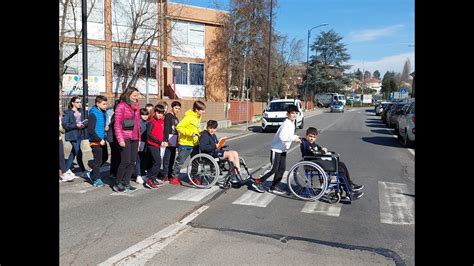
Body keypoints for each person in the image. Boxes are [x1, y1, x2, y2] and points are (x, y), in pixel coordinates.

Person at [300, 127, 364, 199]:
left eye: (314, 137)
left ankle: (350, 184)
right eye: (310, 136)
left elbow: (317, 148)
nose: (312, 138)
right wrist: (322, 151)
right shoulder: (305, 143)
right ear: (306, 135)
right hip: (313, 164)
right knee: (339, 170)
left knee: (341, 164)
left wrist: (322, 148)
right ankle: (349, 193)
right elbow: (313, 153)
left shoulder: (311, 143)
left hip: (317, 162)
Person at [251, 105, 301, 194]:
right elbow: (282, 137)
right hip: (276, 149)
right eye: (293, 113)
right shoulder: (286, 124)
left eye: (296, 113)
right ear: (288, 114)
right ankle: (257, 182)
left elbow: (289, 135)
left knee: (281, 169)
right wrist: (294, 139)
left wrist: (296, 137)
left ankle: (273, 187)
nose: (294, 115)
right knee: (273, 169)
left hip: (282, 150)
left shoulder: (291, 123)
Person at [169, 100, 206, 185]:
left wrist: (202, 132)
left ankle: (193, 178)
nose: (204, 112)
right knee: (180, 161)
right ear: (197, 109)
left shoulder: (198, 117)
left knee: (195, 161)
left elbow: (196, 128)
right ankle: (174, 177)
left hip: (195, 143)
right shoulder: (189, 117)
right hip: (185, 143)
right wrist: (190, 133)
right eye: (202, 110)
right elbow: (179, 127)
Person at [113, 87, 141, 193]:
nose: (136, 98)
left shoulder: (137, 107)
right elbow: (117, 124)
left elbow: (138, 125)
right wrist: (120, 139)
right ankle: (118, 183)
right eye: (134, 95)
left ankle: (126, 183)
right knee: (125, 161)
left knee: (132, 162)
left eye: (137, 95)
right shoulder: (121, 106)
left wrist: (139, 139)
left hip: (135, 137)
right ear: (128, 95)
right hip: (125, 137)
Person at [87, 95, 109, 187]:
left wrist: (105, 128)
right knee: (98, 160)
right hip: (95, 141)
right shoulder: (93, 113)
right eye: (104, 104)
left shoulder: (103, 112)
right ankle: (96, 179)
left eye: (106, 104)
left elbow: (100, 126)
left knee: (105, 157)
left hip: (102, 139)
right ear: (97, 104)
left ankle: (93, 173)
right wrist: (99, 139)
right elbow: (91, 130)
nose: (106, 106)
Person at [62, 96, 88, 177]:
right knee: (78, 152)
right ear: (73, 103)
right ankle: (83, 170)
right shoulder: (68, 112)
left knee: (73, 153)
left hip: (80, 134)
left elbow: (85, 123)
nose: (79, 104)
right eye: (77, 102)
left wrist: (82, 125)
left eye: (80, 102)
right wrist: (76, 125)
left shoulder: (82, 112)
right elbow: (65, 125)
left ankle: (65, 170)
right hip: (72, 135)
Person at [144, 104, 167, 189]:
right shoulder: (151, 122)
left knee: (156, 162)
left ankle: (153, 179)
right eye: (158, 112)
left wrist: (164, 141)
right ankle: (149, 179)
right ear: (155, 112)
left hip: (158, 145)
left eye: (161, 113)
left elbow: (162, 133)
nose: (160, 114)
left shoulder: (161, 121)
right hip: (152, 144)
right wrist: (159, 141)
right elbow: (149, 135)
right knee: (157, 162)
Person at [162, 101, 181, 182]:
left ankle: (170, 173)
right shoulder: (168, 116)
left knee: (172, 157)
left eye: (179, 109)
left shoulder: (176, 118)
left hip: (174, 138)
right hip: (169, 137)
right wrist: (166, 139)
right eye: (176, 108)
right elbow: (166, 128)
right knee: (167, 157)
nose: (177, 110)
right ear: (172, 107)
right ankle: (165, 174)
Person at [59, 111, 77, 182]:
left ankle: (63, 174)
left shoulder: (60, 116)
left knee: (61, 155)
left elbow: (62, 129)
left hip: (59, 139)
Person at [107, 99, 121, 178]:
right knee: (116, 155)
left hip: (113, 138)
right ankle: (114, 172)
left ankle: (113, 172)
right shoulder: (116, 115)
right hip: (113, 138)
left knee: (115, 155)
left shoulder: (115, 115)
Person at [134, 108, 149, 185]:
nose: (145, 116)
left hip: (146, 143)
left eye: (146, 114)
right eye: (143, 114)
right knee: (138, 160)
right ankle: (138, 175)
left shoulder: (148, 122)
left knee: (144, 159)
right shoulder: (138, 123)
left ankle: (142, 173)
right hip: (140, 142)